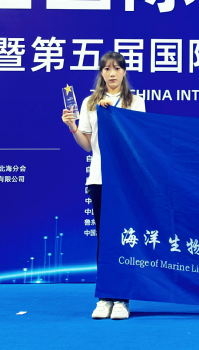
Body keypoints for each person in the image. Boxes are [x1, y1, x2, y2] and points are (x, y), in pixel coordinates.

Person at [61, 51, 146, 320]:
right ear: (101, 73)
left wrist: (116, 115)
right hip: (99, 178)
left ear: (124, 72)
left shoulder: (135, 102)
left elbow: (139, 140)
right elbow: (88, 146)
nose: (112, 73)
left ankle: (122, 298)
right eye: (107, 69)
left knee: (124, 237)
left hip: (126, 180)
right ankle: (105, 296)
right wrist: (73, 127)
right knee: (105, 238)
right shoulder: (90, 102)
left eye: (117, 68)